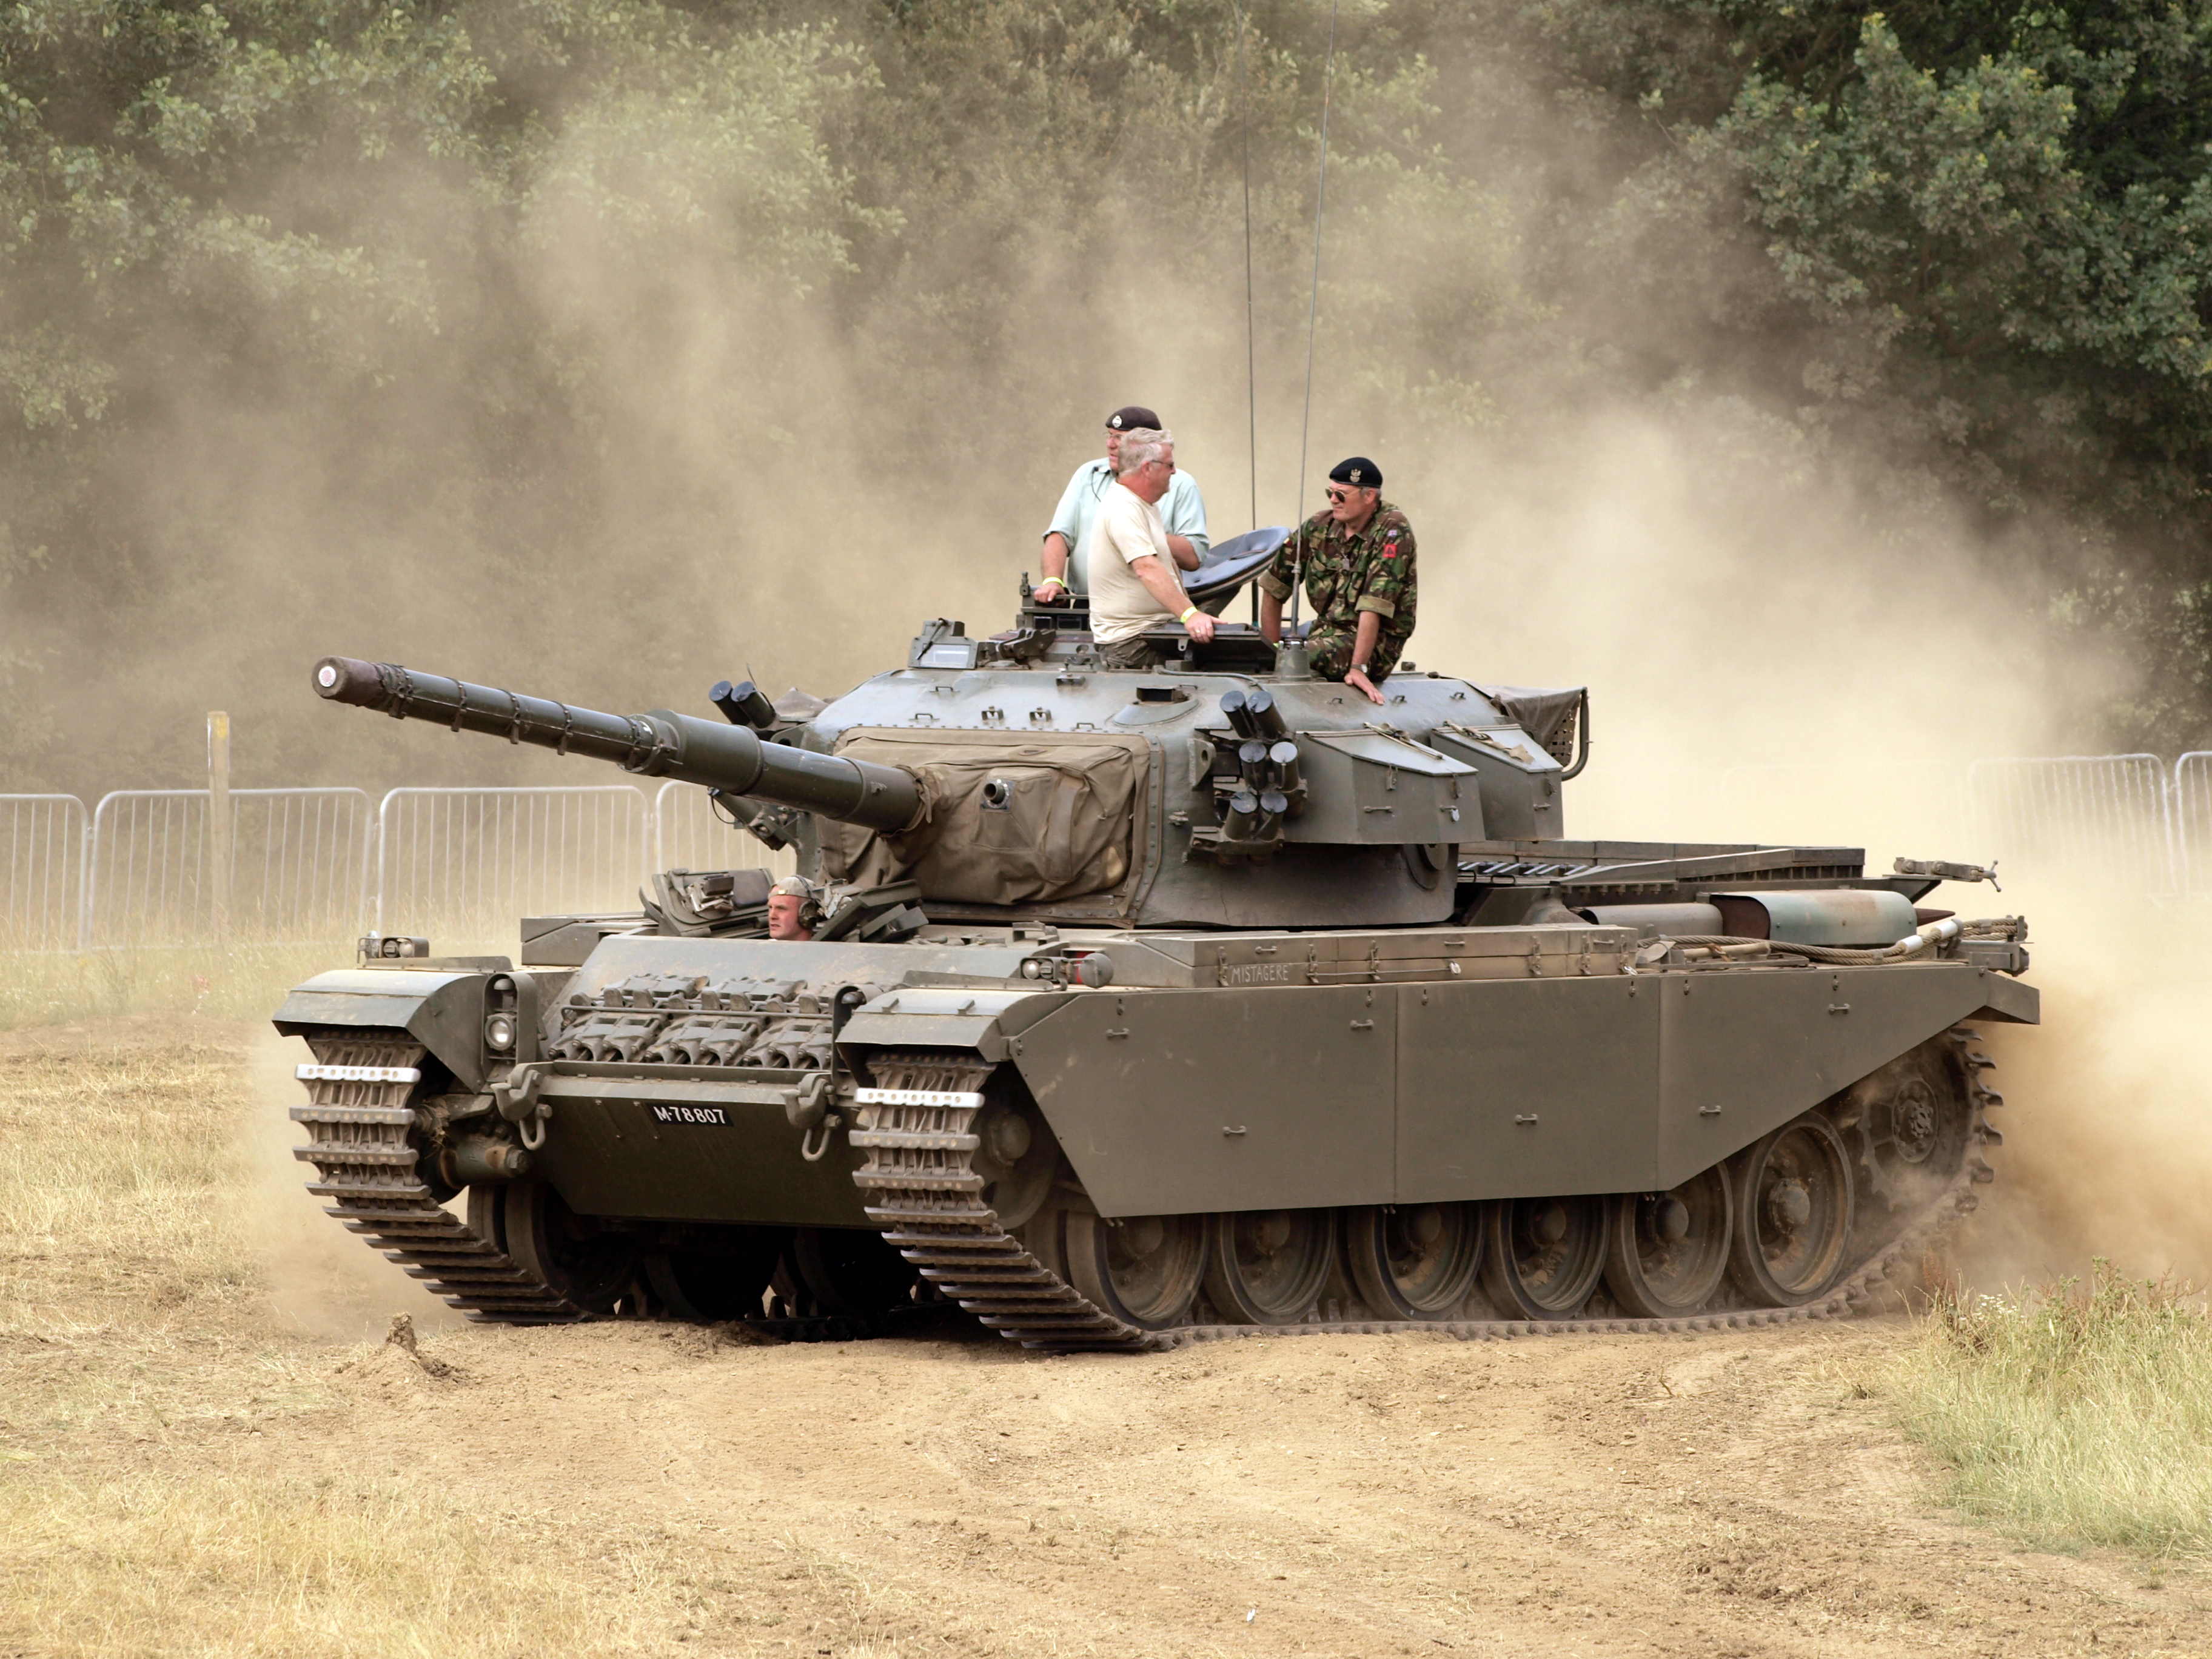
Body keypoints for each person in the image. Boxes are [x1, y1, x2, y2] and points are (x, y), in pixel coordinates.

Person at [1257, 456, 1415, 706]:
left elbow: (1373, 606)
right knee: (1247, 653)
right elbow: (1274, 585)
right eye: (1330, 493)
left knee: (1296, 659)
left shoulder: (1392, 529)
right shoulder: (1319, 526)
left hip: (1375, 645)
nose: (1333, 501)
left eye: (1341, 495)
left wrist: (1358, 668)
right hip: (1324, 634)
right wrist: (1270, 653)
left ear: (1369, 496)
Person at [1036, 405, 1209, 602]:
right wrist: (1052, 581)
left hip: (1150, 611)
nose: (1111, 444)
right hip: (1087, 607)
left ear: (1147, 445)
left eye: (1120, 438)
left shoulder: (1179, 484)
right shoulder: (1087, 474)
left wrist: (1141, 534)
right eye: (1109, 435)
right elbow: (1060, 534)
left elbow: (1194, 557)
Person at [1084, 428, 1218, 669]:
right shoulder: (1123, 508)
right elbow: (1146, 568)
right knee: (1222, 665)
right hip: (1130, 644)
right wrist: (1190, 615)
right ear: (1148, 468)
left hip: (1150, 633)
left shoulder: (1144, 504)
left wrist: (1189, 614)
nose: (1174, 471)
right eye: (1170, 465)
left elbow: (1168, 567)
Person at [766, 874, 818, 941]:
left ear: (808, 913)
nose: (772, 916)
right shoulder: (762, 949)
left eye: (781, 909)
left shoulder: (826, 950)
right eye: (770, 908)